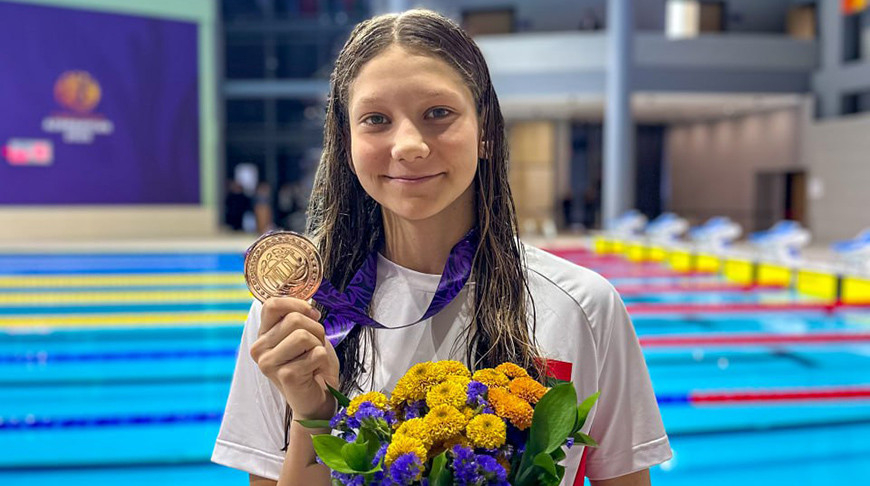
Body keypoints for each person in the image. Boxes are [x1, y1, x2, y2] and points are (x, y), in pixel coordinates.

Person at [212, 9, 671, 486]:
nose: (408, 145)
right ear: (346, 144)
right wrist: (315, 415)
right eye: (376, 119)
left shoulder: (584, 307)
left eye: (437, 113)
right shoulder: (295, 319)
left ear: (485, 131)